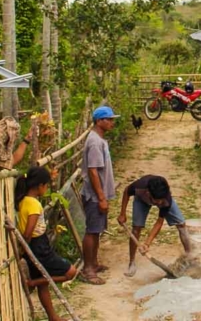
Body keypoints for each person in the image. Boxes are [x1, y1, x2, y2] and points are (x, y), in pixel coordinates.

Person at [16, 167, 77, 321]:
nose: (47, 188)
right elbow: (29, 232)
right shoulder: (34, 205)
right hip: (39, 246)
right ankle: (31, 282)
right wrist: (26, 247)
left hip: (33, 246)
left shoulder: (23, 201)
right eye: (47, 185)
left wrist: (24, 250)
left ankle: (53, 317)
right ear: (40, 185)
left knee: (44, 286)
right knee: (70, 272)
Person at [117, 175, 191, 277]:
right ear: (148, 193)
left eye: (161, 200)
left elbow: (159, 222)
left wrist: (147, 244)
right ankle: (132, 263)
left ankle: (189, 257)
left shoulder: (166, 200)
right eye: (157, 201)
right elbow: (126, 191)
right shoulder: (139, 187)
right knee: (136, 228)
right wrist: (122, 213)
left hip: (160, 198)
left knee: (181, 224)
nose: (159, 203)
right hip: (141, 200)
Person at [80, 106, 118, 285]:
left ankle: (93, 263)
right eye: (108, 119)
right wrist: (101, 197)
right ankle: (88, 270)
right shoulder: (95, 142)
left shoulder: (99, 140)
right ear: (99, 121)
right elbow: (93, 171)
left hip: (98, 194)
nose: (112, 122)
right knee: (92, 230)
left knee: (97, 231)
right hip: (95, 195)